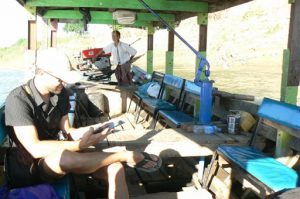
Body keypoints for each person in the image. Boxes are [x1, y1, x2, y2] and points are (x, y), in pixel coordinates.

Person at [5, 48, 161, 199]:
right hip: (30, 168)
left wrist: (93, 130)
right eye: (59, 78)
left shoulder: (61, 94)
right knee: (64, 157)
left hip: (62, 155)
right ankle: (124, 155)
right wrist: (80, 146)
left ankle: (120, 157)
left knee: (115, 168)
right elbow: (35, 148)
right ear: (40, 73)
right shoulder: (18, 99)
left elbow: (67, 130)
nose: (63, 82)